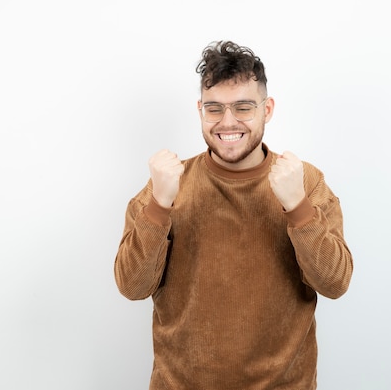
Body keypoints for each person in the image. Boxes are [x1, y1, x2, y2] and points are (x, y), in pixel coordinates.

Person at [114, 40, 353, 390]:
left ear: (267, 109)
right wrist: (159, 207)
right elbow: (132, 287)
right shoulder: (166, 185)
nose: (228, 123)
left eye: (243, 107)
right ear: (199, 110)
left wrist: (298, 208)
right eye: (214, 109)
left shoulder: (305, 182)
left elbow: (335, 283)